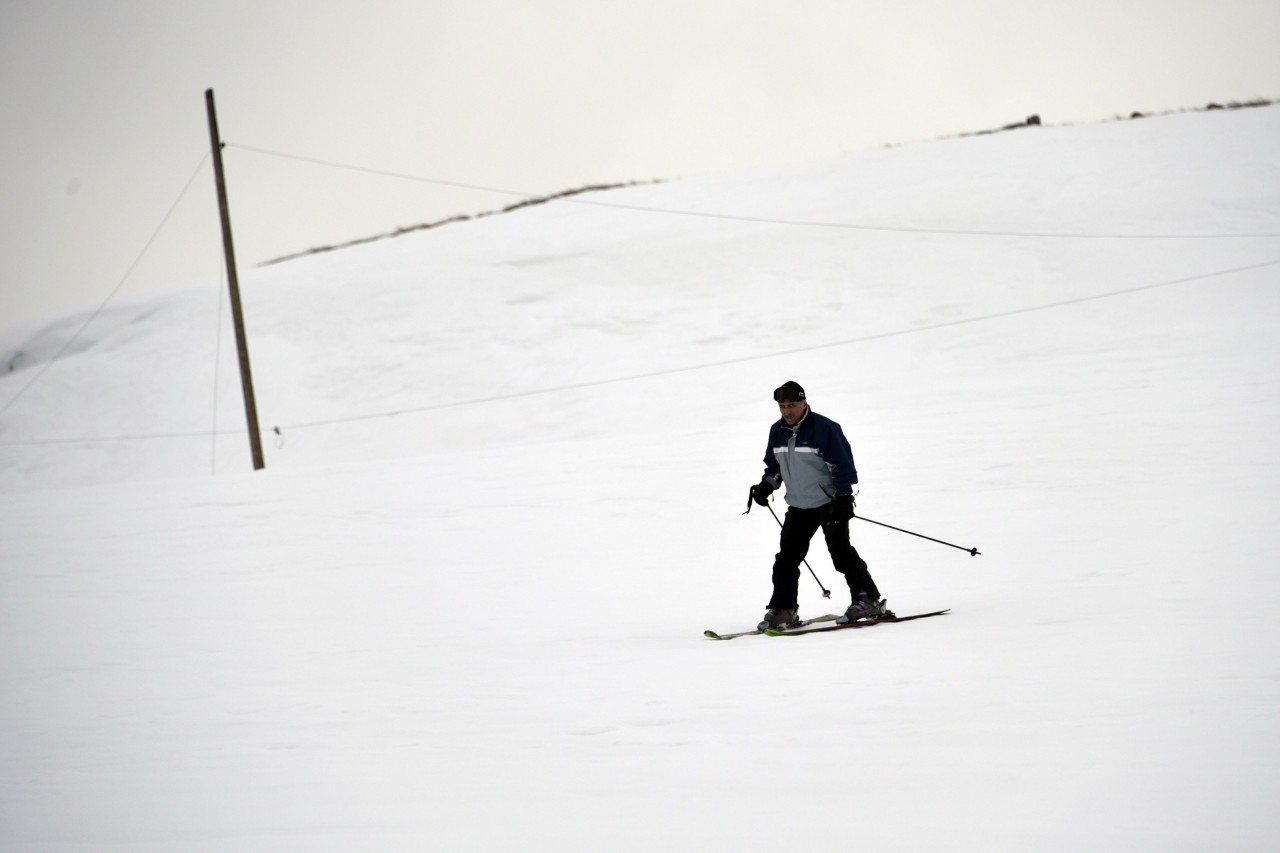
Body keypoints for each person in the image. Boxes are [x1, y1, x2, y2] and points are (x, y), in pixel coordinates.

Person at [748, 380, 888, 630]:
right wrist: (767, 486)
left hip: (829, 504)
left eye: (792, 405)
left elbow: (842, 465)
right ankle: (784, 609)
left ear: (804, 403)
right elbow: (775, 466)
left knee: (842, 555)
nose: (787, 411)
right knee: (786, 560)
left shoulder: (825, 428)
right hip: (798, 506)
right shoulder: (777, 431)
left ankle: (868, 600)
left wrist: (844, 497)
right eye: (782, 406)